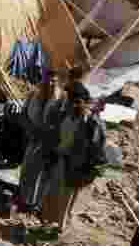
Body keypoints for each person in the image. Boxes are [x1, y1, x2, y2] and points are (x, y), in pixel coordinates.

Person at [39, 81, 107, 233]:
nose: (70, 104)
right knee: (53, 194)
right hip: (60, 161)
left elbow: (94, 148)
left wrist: (85, 168)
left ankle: (58, 228)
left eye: (73, 101)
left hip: (75, 166)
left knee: (66, 197)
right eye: (69, 101)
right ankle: (49, 223)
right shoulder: (67, 116)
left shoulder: (91, 123)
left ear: (82, 101)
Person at [14, 70, 62, 213]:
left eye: (54, 81)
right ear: (43, 80)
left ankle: (34, 205)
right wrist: (30, 129)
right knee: (27, 170)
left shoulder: (60, 100)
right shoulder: (33, 95)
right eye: (48, 79)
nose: (50, 83)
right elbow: (23, 116)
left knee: (40, 175)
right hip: (32, 138)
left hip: (47, 143)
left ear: (57, 82)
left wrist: (48, 135)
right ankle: (23, 200)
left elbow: (60, 123)